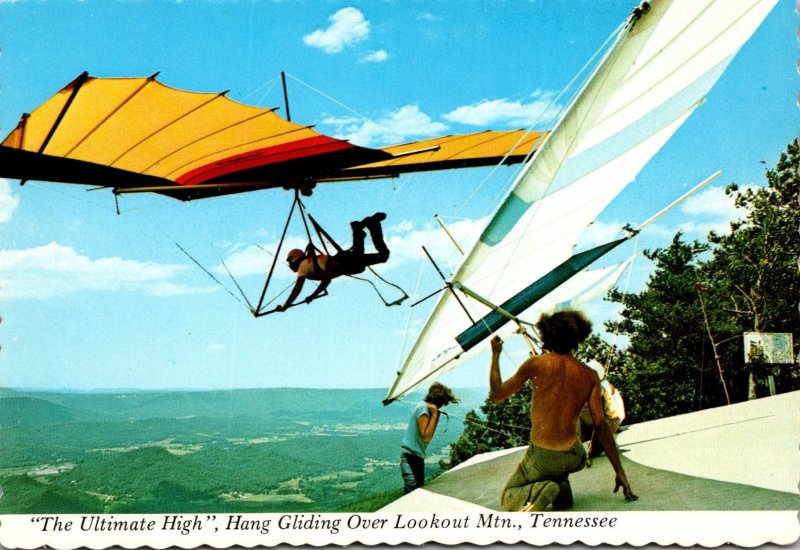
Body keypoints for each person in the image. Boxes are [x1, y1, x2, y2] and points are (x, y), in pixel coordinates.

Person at [488, 310, 637, 511]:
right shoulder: (590, 375)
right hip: (574, 457)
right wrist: (620, 472)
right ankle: (561, 488)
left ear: (547, 335)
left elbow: (497, 395)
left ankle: (543, 489)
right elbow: (600, 426)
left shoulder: (537, 364)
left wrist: (496, 354)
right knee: (559, 469)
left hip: (543, 457)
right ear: (577, 338)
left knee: (509, 496)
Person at [275, 212, 390, 312]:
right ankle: (363, 227)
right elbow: (326, 279)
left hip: (343, 262)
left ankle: (361, 228)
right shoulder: (311, 263)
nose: (290, 266)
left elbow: (297, 289)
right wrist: (313, 295)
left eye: (290, 263)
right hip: (343, 260)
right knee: (371, 255)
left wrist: (285, 305)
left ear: (294, 259)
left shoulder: (303, 267)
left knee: (377, 255)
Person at [400, 382, 459, 494]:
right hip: (409, 456)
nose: (442, 405)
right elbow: (426, 438)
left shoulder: (428, 410)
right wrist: (435, 415)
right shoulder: (422, 408)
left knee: (418, 490)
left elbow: (429, 436)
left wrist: (435, 417)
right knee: (411, 491)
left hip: (418, 457)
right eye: (442, 402)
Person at [579, 360, 626, 465]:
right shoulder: (603, 385)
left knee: (596, 446)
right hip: (603, 422)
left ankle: (590, 449)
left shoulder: (602, 387)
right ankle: (585, 446)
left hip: (608, 423)